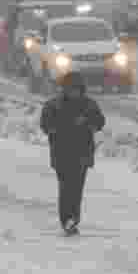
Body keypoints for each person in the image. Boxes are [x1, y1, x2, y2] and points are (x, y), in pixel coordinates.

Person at [39, 71, 105, 236]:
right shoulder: (54, 106)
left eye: (77, 89)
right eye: (70, 89)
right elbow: (46, 124)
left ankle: (73, 219)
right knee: (66, 187)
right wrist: (58, 128)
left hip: (82, 154)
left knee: (76, 189)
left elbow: (100, 122)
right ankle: (67, 218)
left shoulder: (89, 105)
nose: (74, 93)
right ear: (65, 89)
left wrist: (88, 123)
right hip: (61, 154)